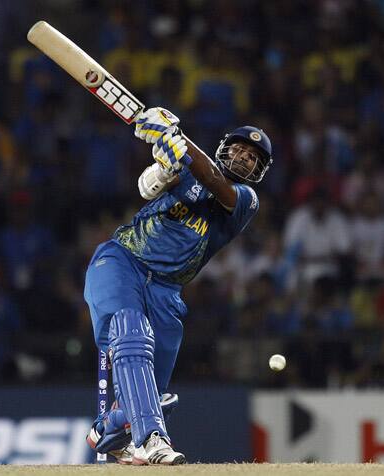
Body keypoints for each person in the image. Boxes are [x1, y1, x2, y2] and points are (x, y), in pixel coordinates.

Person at [83, 107, 272, 465]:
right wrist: (165, 163)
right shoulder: (186, 167)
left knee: (149, 396)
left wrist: (177, 139)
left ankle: (110, 427)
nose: (245, 159)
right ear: (225, 147)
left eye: (253, 158)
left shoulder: (246, 200)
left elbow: (215, 182)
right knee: (130, 331)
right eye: (241, 150)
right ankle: (154, 439)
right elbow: (145, 187)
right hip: (122, 262)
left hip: (166, 293)